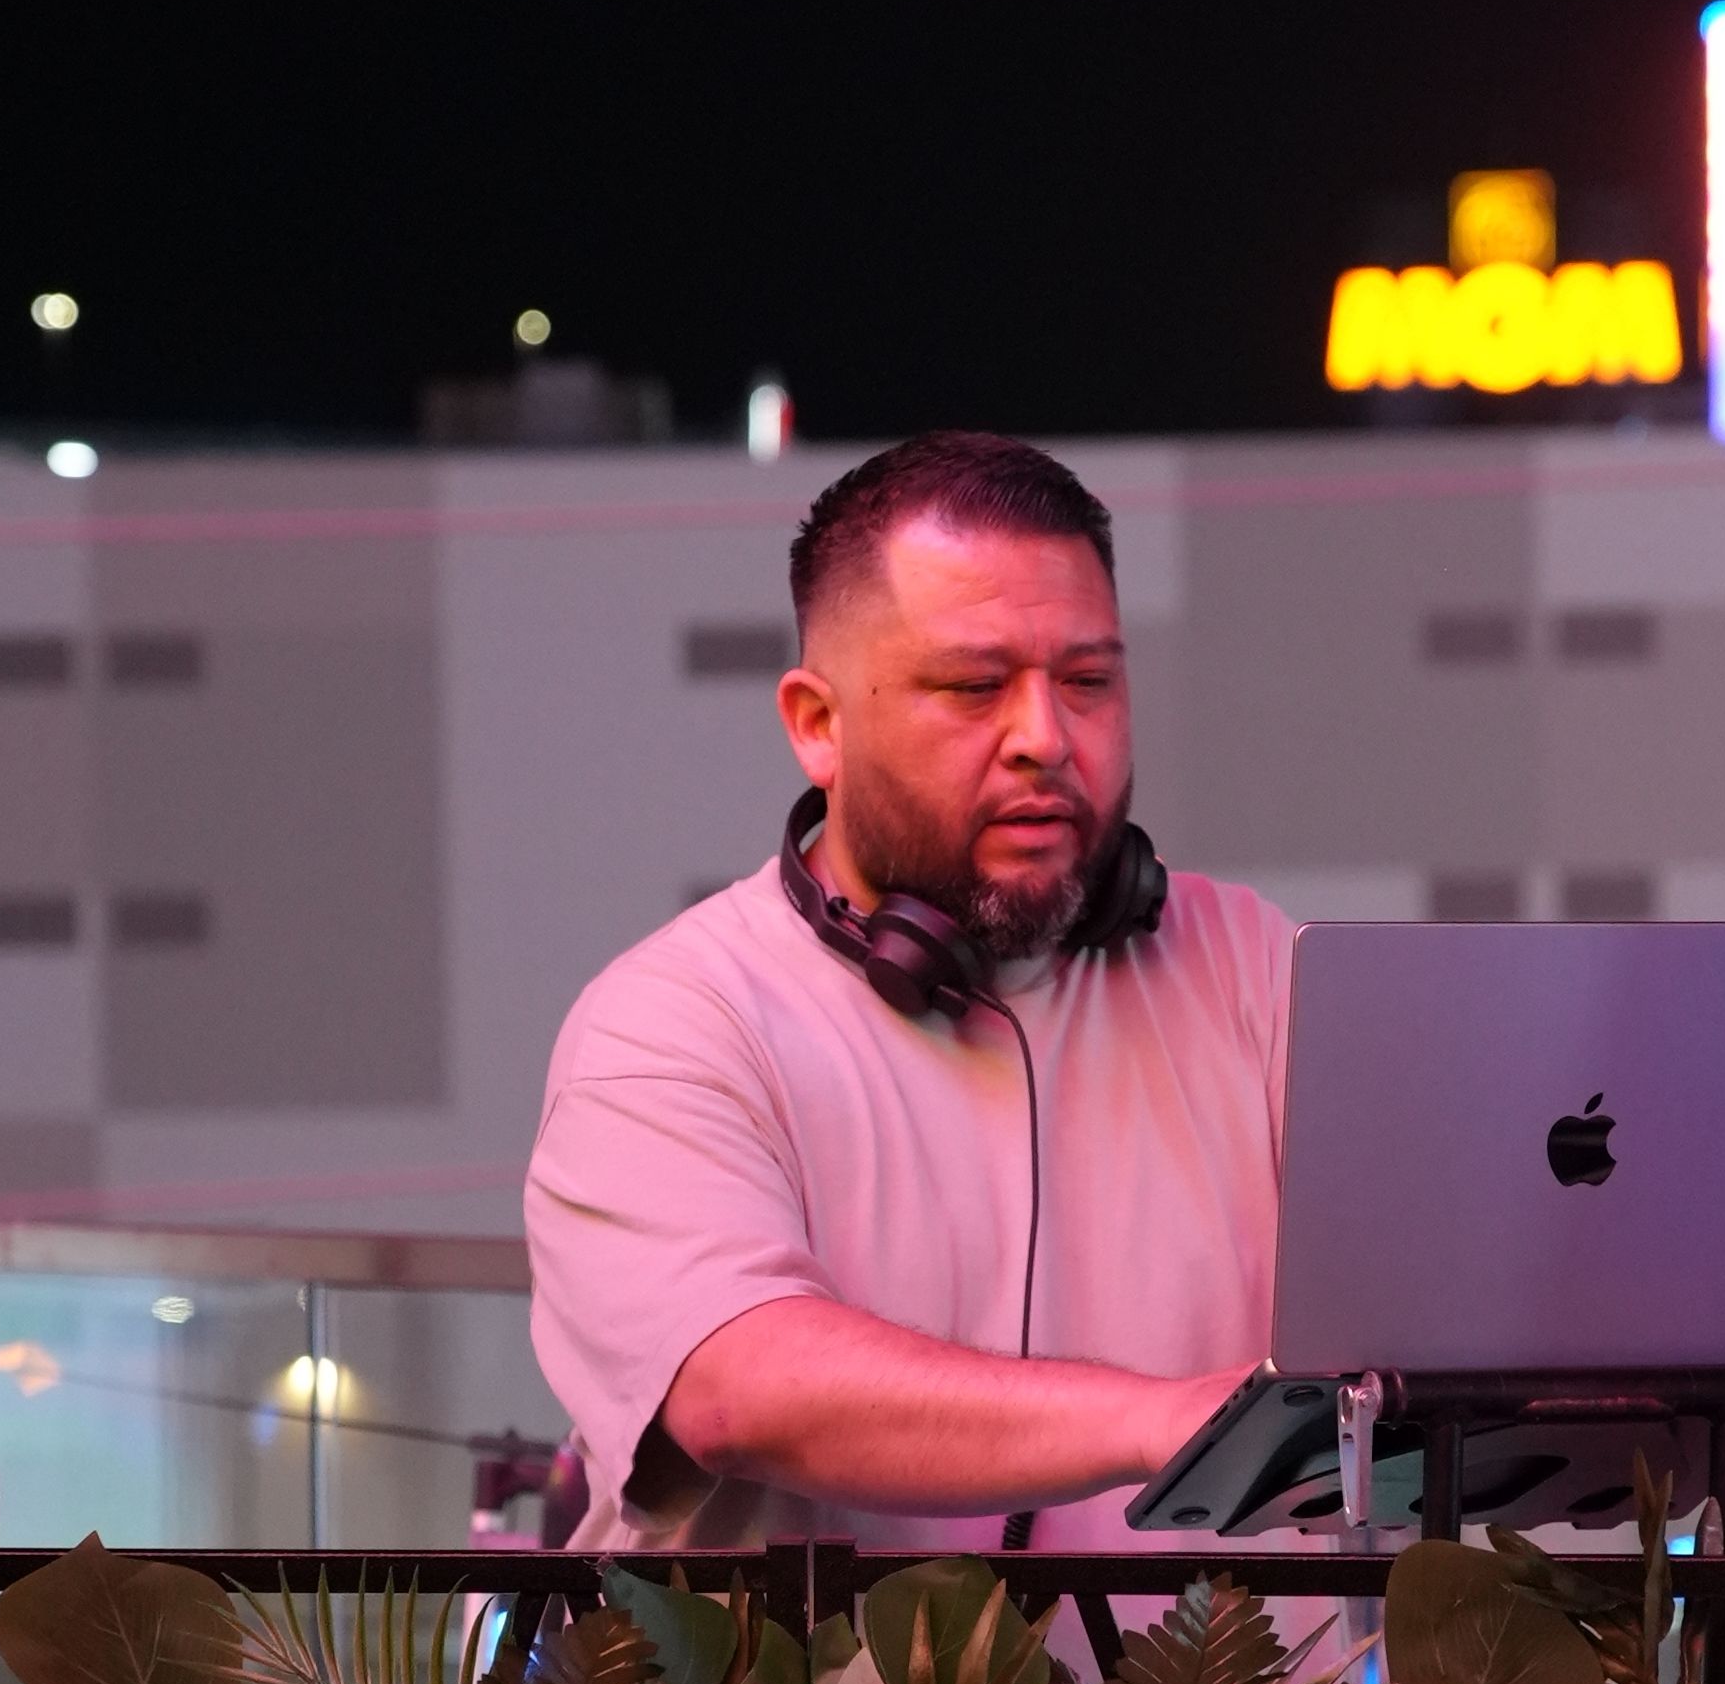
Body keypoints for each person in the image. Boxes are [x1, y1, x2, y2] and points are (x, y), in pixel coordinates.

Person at [525, 431, 1291, 1550]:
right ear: (816, 725)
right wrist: (1166, 1417)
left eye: (1087, 681)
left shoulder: (1249, 961)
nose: (1045, 738)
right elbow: (739, 1384)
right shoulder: (672, 1022)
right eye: (974, 687)